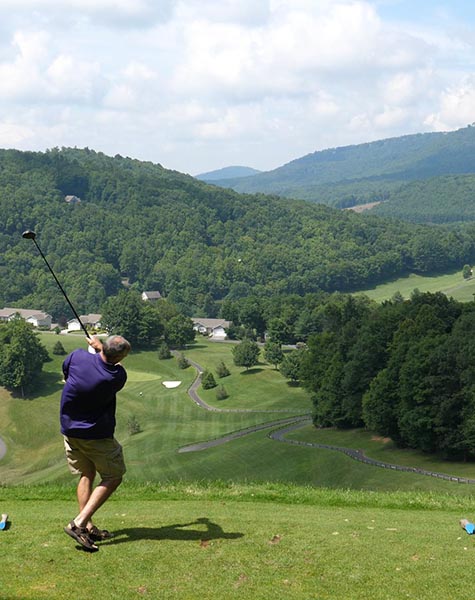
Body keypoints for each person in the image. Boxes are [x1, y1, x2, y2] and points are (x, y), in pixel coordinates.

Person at [61, 334, 131, 552]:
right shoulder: (116, 376)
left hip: (69, 430)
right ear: (118, 356)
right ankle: (79, 523)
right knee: (113, 477)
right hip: (95, 435)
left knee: (87, 473)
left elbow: (69, 371)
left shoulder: (76, 357)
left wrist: (96, 350)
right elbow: (110, 365)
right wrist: (100, 348)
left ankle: (87, 526)